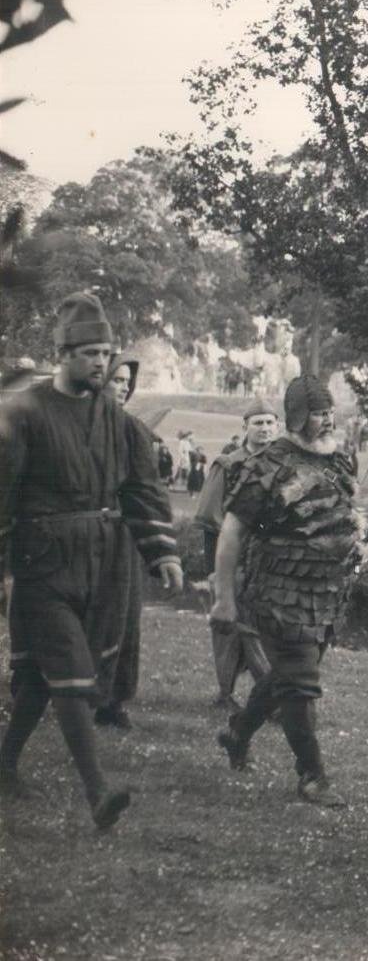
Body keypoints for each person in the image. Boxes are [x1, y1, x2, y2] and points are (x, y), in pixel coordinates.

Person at [0, 294, 182, 829]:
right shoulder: (24, 414)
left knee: (40, 678)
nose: (102, 363)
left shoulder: (118, 421)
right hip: (42, 564)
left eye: (106, 353)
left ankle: (4, 765)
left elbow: (141, 490)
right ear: (63, 354)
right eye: (89, 353)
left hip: (101, 565)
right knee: (73, 672)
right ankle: (98, 793)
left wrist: (163, 554)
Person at [211, 377, 364, 807]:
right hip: (278, 589)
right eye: (318, 413)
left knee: (288, 675)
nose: (327, 420)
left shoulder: (339, 458)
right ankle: (312, 776)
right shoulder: (270, 463)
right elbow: (231, 533)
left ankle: (237, 732)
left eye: (329, 412)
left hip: (324, 593)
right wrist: (224, 599)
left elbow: (343, 512)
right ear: (297, 416)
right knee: (298, 682)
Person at [193, 400, 278, 709]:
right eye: (258, 423)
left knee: (264, 628)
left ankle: (269, 696)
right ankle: (227, 694)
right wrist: (215, 572)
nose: (265, 429)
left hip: (270, 563)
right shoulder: (227, 464)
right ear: (245, 428)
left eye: (270, 423)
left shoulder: (284, 465)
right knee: (230, 630)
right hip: (234, 560)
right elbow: (209, 521)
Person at [92, 354, 150, 730]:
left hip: (119, 535)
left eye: (128, 381)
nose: (124, 386)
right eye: (117, 379)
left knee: (121, 615)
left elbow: (145, 488)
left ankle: (111, 699)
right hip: (76, 534)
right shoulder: (74, 425)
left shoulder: (132, 428)